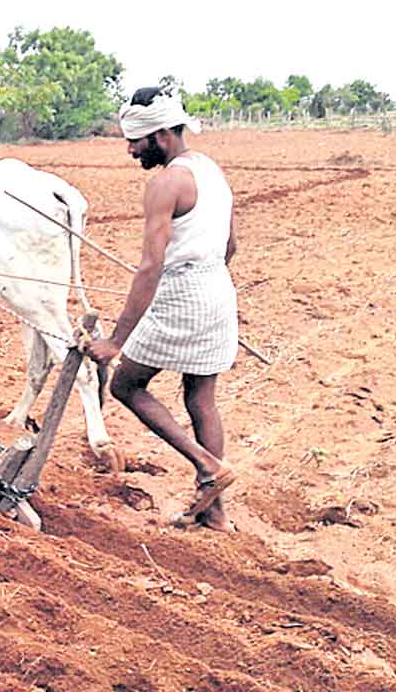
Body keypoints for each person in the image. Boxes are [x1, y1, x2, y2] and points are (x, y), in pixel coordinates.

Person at [84, 85, 240, 532]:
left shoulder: (165, 183)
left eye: (136, 140)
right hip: (217, 288)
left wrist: (115, 341)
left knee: (126, 385)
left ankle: (207, 465)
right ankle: (215, 514)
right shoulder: (211, 170)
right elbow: (231, 245)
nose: (131, 150)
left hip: (183, 295)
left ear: (162, 135)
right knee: (200, 397)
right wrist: (203, 278)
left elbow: (151, 265)